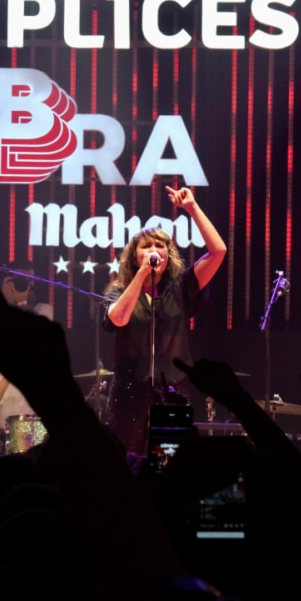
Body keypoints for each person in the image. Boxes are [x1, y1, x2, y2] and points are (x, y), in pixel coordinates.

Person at [102, 185, 227, 454]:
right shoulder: (119, 291)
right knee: (127, 463)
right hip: (129, 393)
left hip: (173, 391)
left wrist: (192, 208)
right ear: (134, 257)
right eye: (146, 246)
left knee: (168, 466)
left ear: (168, 255)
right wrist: (142, 275)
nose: (154, 250)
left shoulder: (180, 287)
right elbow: (118, 319)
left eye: (160, 245)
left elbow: (218, 251)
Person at [0, 261, 55, 456]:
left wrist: (20, 303)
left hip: (29, 420)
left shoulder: (43, 309)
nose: (27, 285)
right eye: (20, 280)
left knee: (30, 471)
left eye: (31, 281)